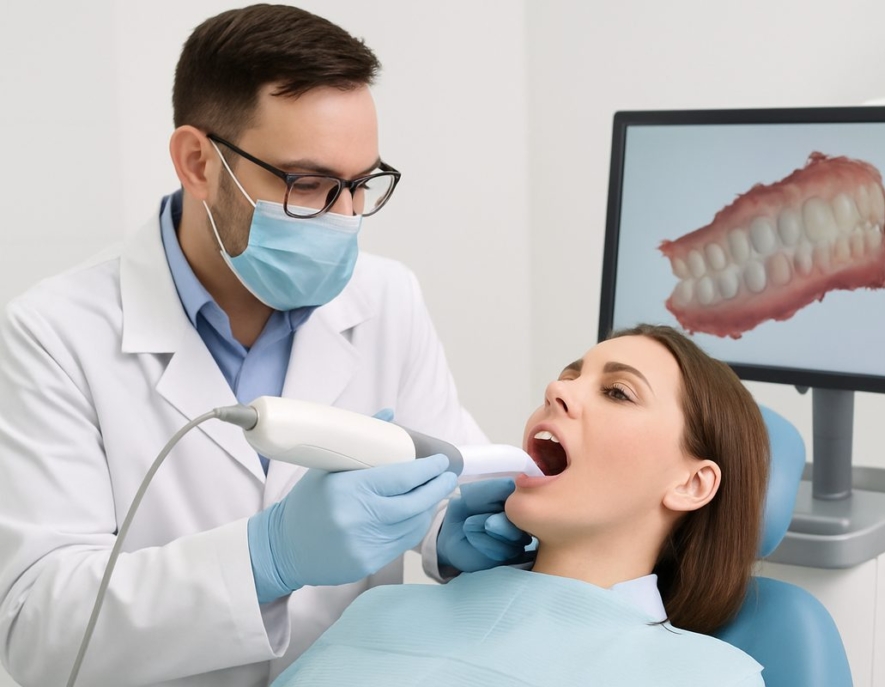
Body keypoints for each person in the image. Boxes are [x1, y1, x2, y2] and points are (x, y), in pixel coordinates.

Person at [0, 5, 526, 686]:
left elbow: (439, 482)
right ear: (198, 162)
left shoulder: (386, 299)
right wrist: (264, 557)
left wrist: (451, 527)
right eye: (307, 184)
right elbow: (40, 632)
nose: (344, 219)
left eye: (359, 185)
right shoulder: (55, 333)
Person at [273, 324, 771, 686]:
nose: (558, 389)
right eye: (568, 377)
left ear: (692, 484)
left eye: (617, 392)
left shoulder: (704, 677)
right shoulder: (381, 609)